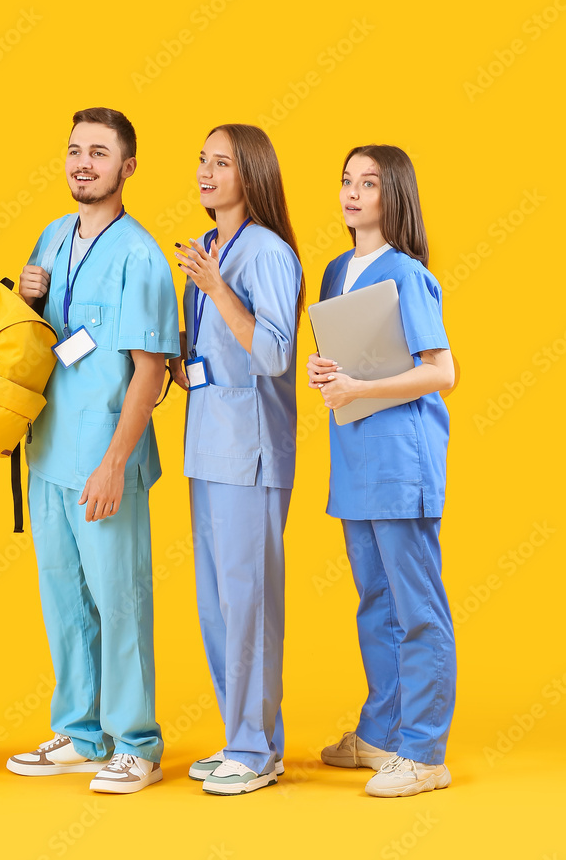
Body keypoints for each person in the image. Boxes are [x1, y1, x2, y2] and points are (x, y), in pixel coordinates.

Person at [6, 107, 180, 794]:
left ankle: (136, 742)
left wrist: (112, 463)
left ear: (126, 168)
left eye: (99, 153)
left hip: (105, 456)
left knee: (120, 598)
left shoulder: (140, 255)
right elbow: (45, 335)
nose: (83, 162)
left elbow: (151, 369)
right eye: (75, 149)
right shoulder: (51, 237)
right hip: (49, 448)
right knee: (65, 600)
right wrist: (27, 294)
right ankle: (81, 731)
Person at [307, 144, 456, 798]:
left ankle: (423, 752)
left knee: (416, 609)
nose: (352, 192)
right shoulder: (337, 269)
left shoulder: (406, 274)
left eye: (368, 182)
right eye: (345, 180)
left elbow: (440, 371)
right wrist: (328, 378)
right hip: (355, 462)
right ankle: (381, 733)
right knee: (374, 604)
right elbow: (347, 365)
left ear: (393, 193)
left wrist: (357, 390)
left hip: (400, 461)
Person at [172, 124, 303, 796]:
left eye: (220, 162)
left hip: (249, 452)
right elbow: (214, 355)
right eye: (201, 160)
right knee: (217, 605)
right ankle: (245, 739)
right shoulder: (211, 249)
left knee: (247, 601)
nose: (204, 171)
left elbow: (276, 355)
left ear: (249, 176)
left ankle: (254, 751)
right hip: (208, 445)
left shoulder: (266, 254)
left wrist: (214, 287)